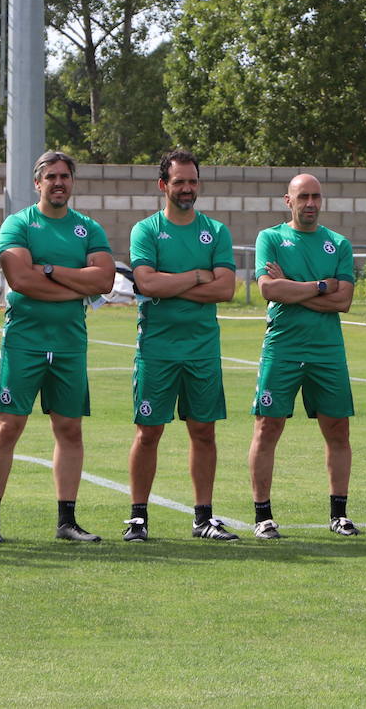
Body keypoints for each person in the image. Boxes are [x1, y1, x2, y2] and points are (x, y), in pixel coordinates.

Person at [0, 151, 114, 544]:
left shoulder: (87, 228)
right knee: (7, 427)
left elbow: (104, 280)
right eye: (51, 177)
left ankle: (67, 522)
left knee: (69, 429)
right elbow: (20, 280)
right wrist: (75, 287)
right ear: (37, 183)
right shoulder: (18, 224)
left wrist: (51, 270)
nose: (58, 183)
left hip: (70, 343)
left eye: (65, 177)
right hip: (25, 341)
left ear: (72, 182)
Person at [123, 150, 238, 542]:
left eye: (192, 181)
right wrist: (196, 276)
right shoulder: (146, 230)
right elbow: (147, 284)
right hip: (157, 348)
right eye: (179, 182)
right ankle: (138, 517)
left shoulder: (216, 232)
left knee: (204, 431)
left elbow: (225, 288)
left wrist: (173, 283)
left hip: (202, 349)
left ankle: (203, 517)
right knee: (148, 432)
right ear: (163, 185)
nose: (187, 189)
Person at [248, 173, 357, 539]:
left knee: (338, 430)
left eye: (316, 196)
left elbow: (343, 301)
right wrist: (321, 286)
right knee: (267, 427)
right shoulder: (271, 238)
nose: (310, 203)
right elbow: (268, 289)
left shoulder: (338, 243)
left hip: (327, 351)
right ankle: (263, 516)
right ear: (288, 200)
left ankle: (338, 514)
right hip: (282, 347)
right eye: (303, 197)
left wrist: (292, 287)